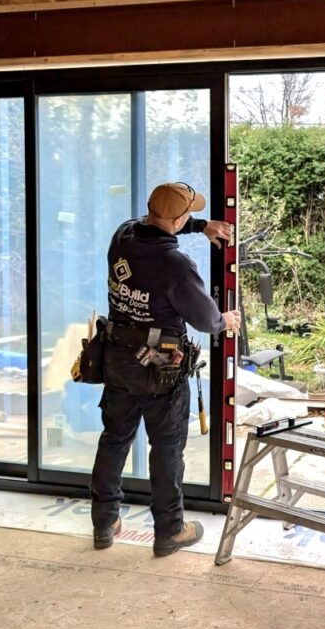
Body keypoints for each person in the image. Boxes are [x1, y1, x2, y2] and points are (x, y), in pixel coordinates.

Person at [90, 181, 240, 558]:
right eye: (188, 215)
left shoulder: (123, 235)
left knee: (114, 438)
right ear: (179, 218)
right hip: (159, 363)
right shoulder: (174, 264)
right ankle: (170, 531)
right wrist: (226, 320)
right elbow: (205, 319)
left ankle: (104, 522)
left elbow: (156, 224)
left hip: (118, 355)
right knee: (167, 447)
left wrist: (199, 225)